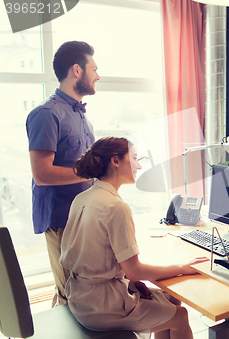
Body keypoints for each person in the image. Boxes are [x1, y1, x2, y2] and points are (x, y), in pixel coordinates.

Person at [60, 137, 208, 339]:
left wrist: (130, 282)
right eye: (135, 158)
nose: (139, 165)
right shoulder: (116, 207)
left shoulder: (82, 198)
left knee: (171, 300)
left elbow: (95, 258)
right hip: (103, 307)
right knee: (181, 316)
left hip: (80, 297)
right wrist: (182, 268)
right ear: (116, 161)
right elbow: (134, 270)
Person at [26, 41, 100, 306]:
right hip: (61, 218)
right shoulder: (46, 114)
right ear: (77, 71)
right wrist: (92, 172)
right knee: (70, 294)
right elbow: (42, 174)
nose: (98, 76)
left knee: (79, 294)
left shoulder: (81, 115)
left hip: (84, 215)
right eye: (94, 69)